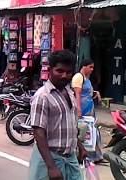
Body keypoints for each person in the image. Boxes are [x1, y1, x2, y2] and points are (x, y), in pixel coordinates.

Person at [29, 50, 87, 180]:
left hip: (70, 158)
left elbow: (68, 124)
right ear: (50, 70)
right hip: (50, 158)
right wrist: (51, 167)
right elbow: (38, 133)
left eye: (68, 72)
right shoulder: (42, 96)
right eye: (59, 71)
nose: (64, 76)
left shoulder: (69, 92)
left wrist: (80, 146)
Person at [71, 59, 105, 164]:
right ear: (84, 66)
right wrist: (79, 110)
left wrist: (95, 92)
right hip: (83, 110)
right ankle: (83, 155)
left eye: (93, 67)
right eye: (90, 67)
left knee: (93, 132)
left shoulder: (87, 78)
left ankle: (97, 156)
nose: (92, 69)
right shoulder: (78, 77)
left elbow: (86, 91)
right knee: (83, 133)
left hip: (90, 109)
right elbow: (77, 94)